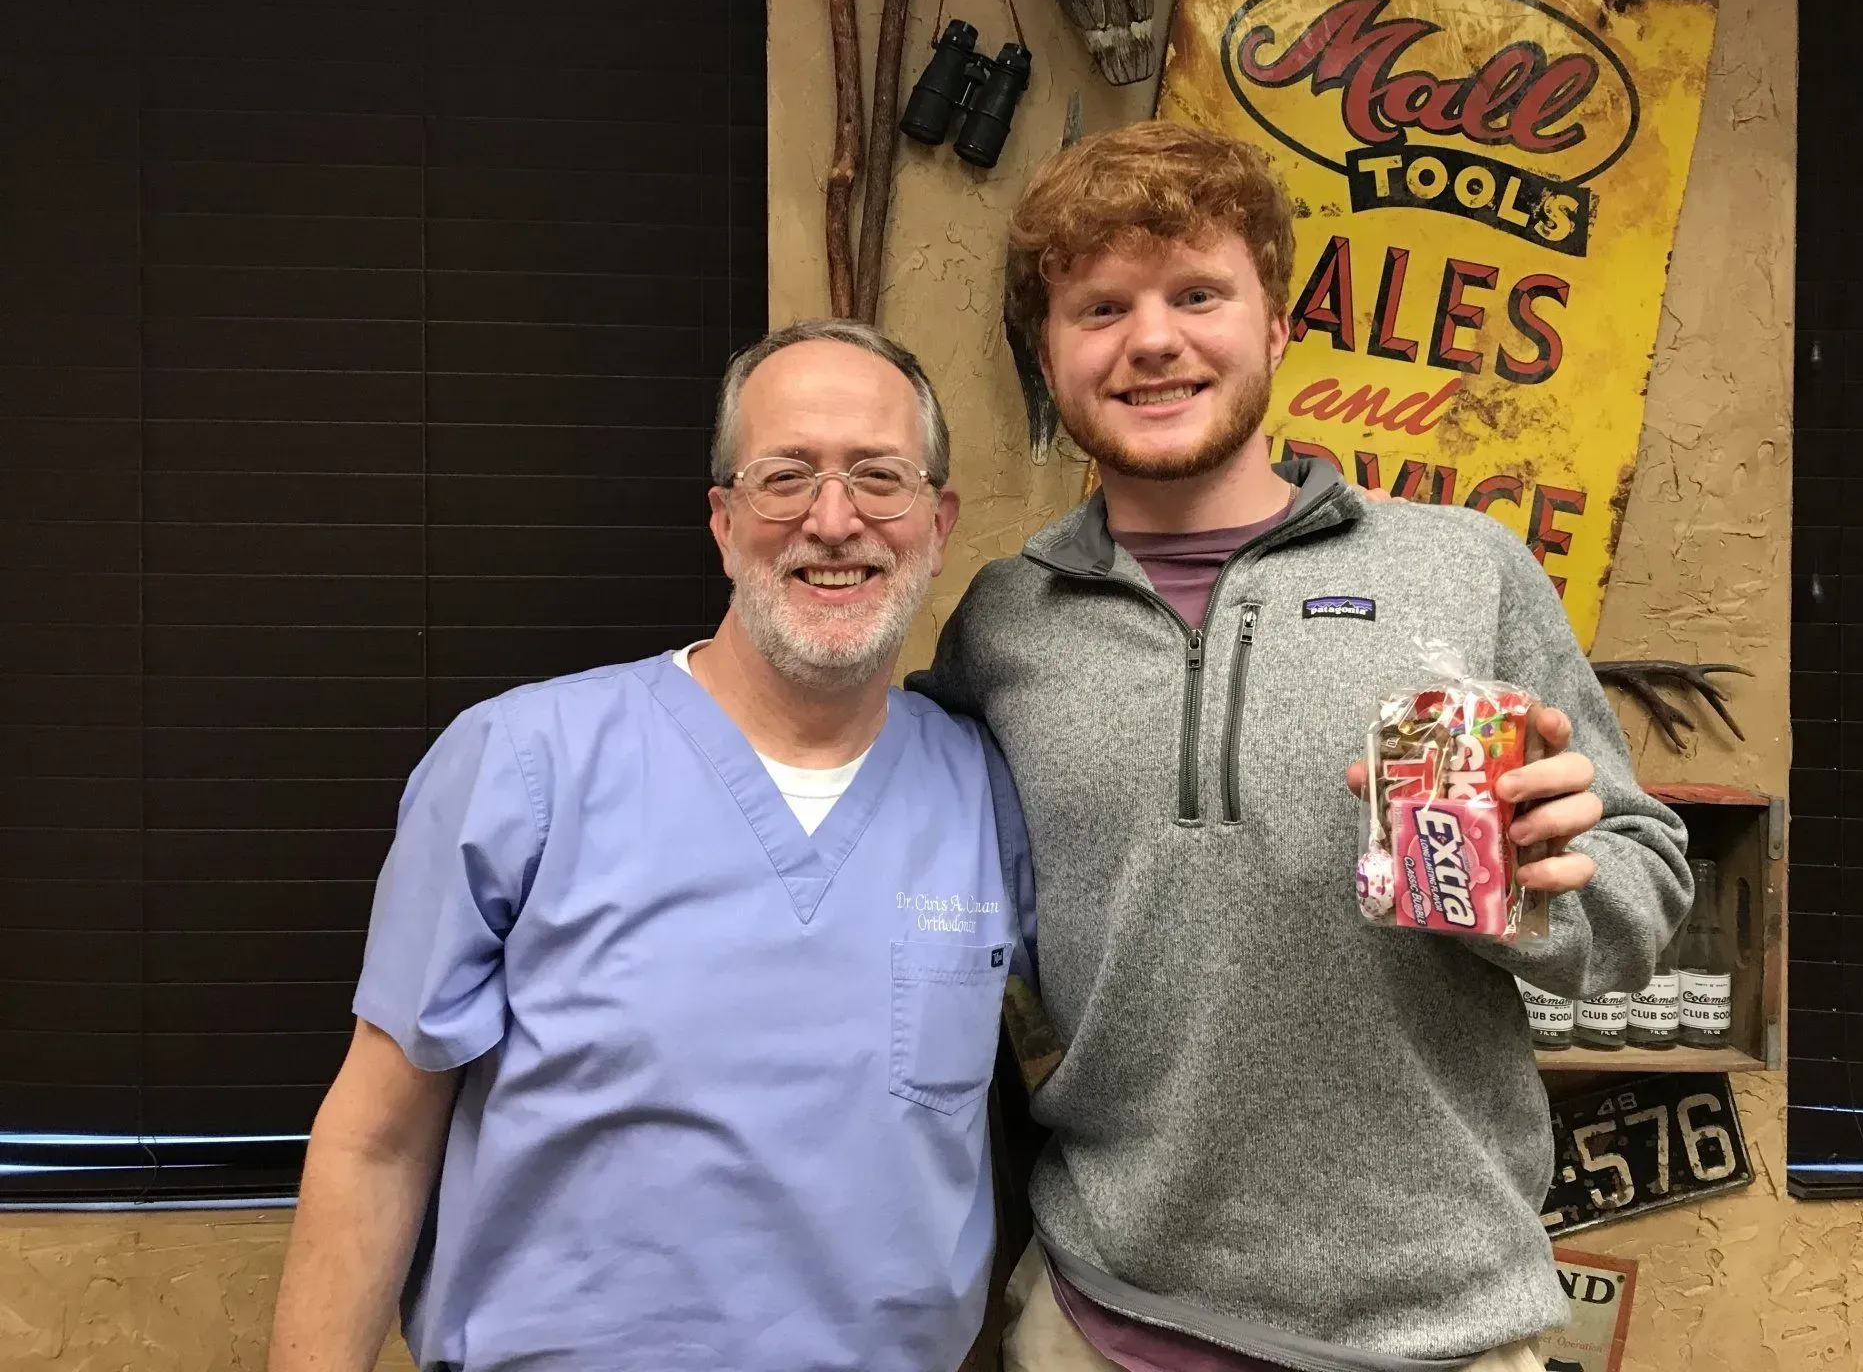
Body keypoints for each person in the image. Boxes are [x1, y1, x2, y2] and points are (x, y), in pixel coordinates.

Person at [912, 121, 1692, 1372]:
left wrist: (1547, 891)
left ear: (1277, 325)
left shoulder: (1463, 568)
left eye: (1197, 293)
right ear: (1047, 355)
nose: (1152, 339)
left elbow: (1644, 889)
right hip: (1101, 1315)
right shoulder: (1006, 621)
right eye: (1099, 307)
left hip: (1442, 1329)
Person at [269, 319, 1035, 1372]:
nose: (833, 518)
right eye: (784, 476)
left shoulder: (979, 788)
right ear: (722, 521)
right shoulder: (522, 764)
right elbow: (376, 1141)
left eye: (879, 476)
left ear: (939, 523)